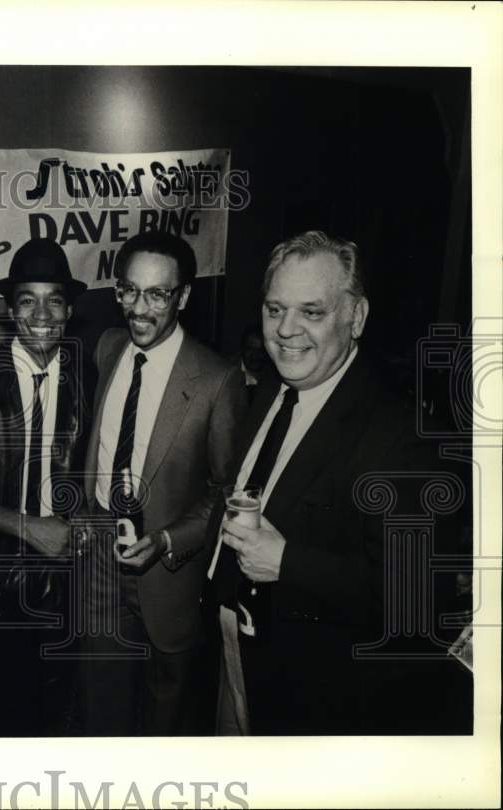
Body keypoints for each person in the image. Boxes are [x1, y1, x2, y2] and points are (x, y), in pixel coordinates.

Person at [208, 230, 469, 734]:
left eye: (312, 312)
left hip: (313, 697)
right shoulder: (270, 391)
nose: (286, 330)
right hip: (237, 652)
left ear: (356, 317)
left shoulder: (398, 433)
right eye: (274, 308)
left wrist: (287, 562)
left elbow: (418, 596)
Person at [78, 230, 246, 735]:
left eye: (157, 294)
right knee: (100, 709)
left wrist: (169, 540)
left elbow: (226, 490)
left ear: (184, 296)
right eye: (129, 291)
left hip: (170, 576)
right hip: (100, 562)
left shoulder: (218, 381)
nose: (140, 308)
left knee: (164, 722)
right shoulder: (108, 348)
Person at [0, 238, 94, 734]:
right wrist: (30, 528)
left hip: (60, 577)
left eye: (54, 299)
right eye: (27, 300)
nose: (42, 313)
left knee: (50, 707)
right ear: (11, 311)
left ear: (70, 309)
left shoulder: (83, 374)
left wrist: (78, 525)